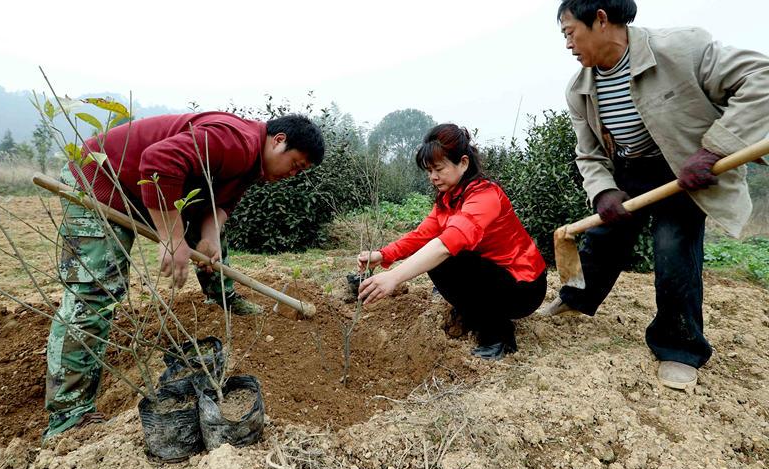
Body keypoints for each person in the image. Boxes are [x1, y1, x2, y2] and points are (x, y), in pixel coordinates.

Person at [540, 0, 769, 389]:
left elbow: (762, 80)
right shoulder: (580, 89)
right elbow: (588, 153)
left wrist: (714, 149)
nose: (568, 45)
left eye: (570, 33)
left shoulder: (682, 49)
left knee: (673, 249)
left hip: (685, 168)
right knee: (603, 240)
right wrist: (604, 191)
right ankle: (576, 300)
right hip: (629, 170)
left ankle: (680, 348)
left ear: (602, 19)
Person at [44, 111, 325, 440]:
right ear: (279, 141)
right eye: (296, 165)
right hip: (103, 182)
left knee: (210, 248)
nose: (293, 174)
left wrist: (210, 239)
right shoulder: (236, 141)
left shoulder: (252, 166)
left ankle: (224, 297)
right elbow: (157, 165)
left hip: (145, 195)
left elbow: (218, 206)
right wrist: (172, 237)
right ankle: (68, 418)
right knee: (93, 296)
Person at [357, 124, 547, 359]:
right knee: (440, 259)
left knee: (446, 259)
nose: (433, 177)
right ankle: (477, 313)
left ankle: (498, 335)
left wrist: (393, 278)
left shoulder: (485, 196)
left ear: (464, 163)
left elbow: (446, 244)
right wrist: (383, 255)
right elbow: (422, 235)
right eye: (429, 171)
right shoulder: (448, 199)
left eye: (438, 168)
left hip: (524, 287)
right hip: (494, 277)